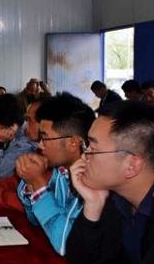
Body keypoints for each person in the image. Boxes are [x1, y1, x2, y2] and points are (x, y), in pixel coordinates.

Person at [66, 101, 154, 264]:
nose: (84, 157)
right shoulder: (120, 195)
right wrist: (93, 205)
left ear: (131, 165)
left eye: (92, 148)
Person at [15, 93, 95, 255]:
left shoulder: (92, 180)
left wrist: (39, 186)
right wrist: (30, 183)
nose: (40, 145)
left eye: (45, 138)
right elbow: (36, 221)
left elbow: (66, 244)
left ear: (73, 142)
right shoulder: (61, 171)